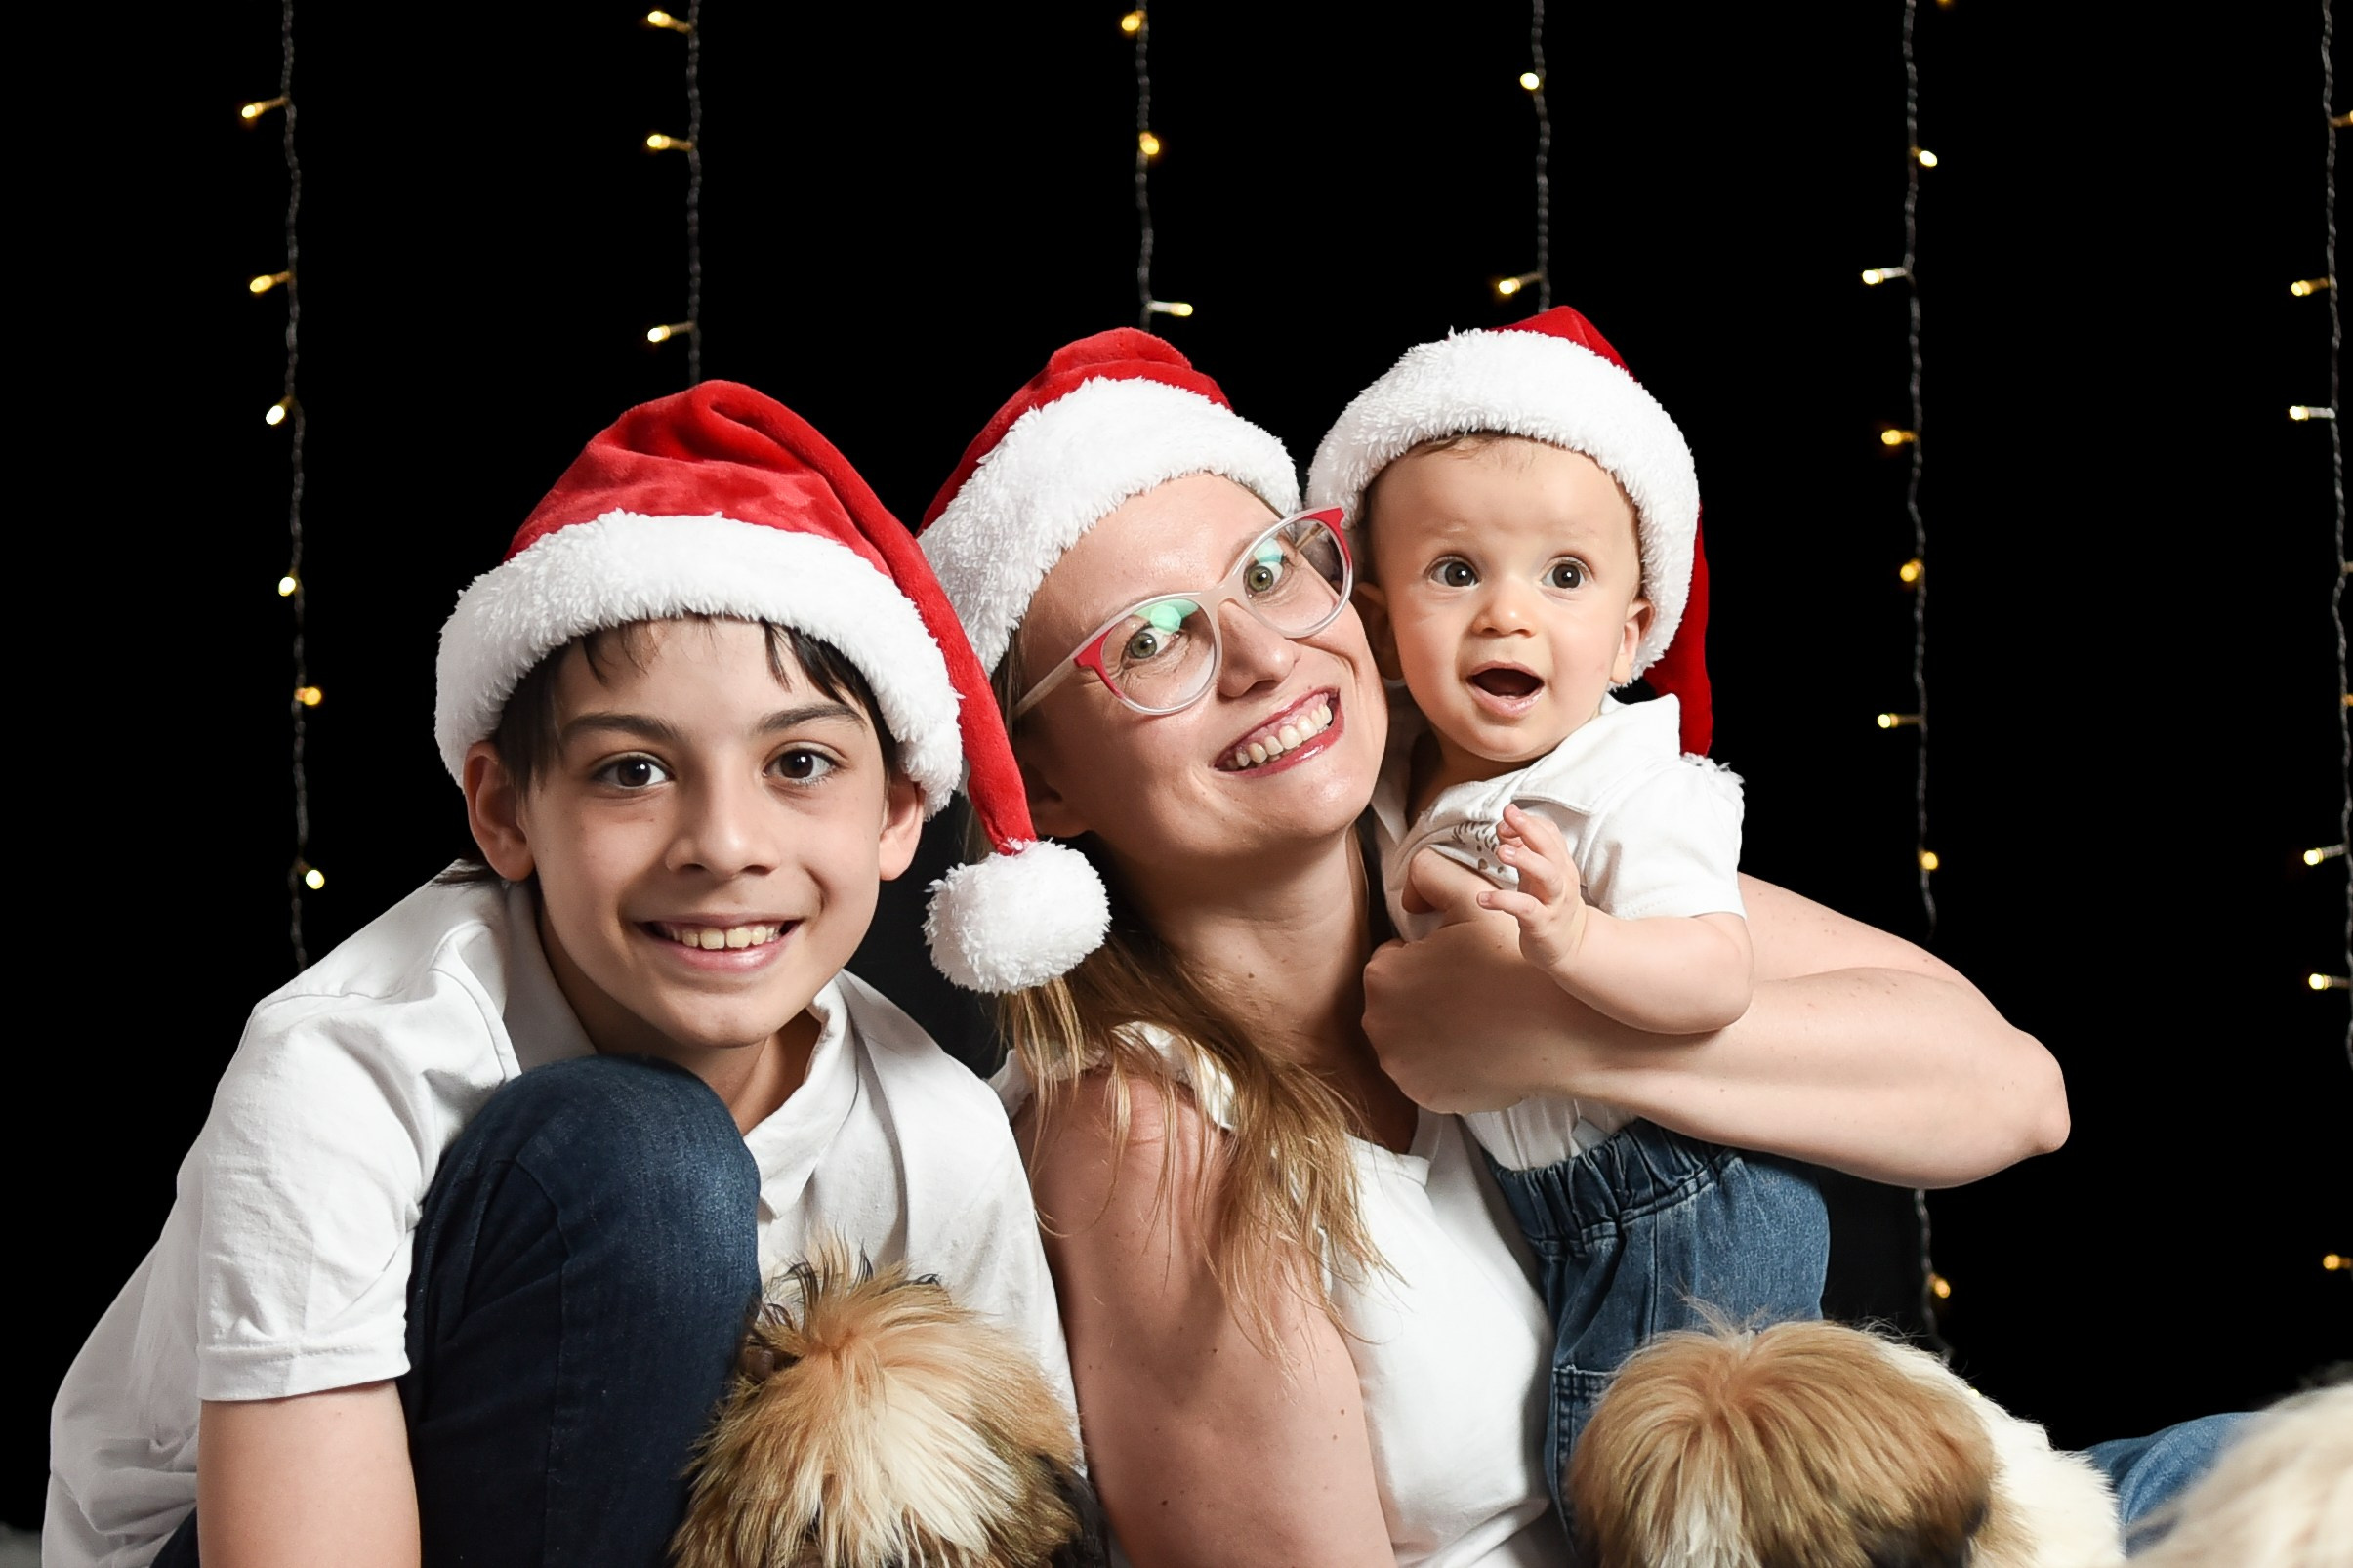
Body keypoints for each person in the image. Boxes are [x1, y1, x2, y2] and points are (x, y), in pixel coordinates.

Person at [915, 327, 2067, 1567]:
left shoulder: (1491, 836)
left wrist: (1560, 1028)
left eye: (1267, 572)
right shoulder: (1144, 1132)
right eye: (1148, 643)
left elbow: (2012, 1093)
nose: (1257, 657)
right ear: (1045, 780)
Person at [45, 382, 1098, 1568]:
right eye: (632, 772)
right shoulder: (340, 1068)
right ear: (505, 811)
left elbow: (1023, 1531)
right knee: (639, 1157)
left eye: (799, 761)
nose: (723, 842)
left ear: (900, 811)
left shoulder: (933, 1131)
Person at [1304, 305, 1829, 1500]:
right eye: (1453, 572)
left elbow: (1713, 975)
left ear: (1633, 628)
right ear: (1379, 625)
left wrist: (1575, 939)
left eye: (1565, 575)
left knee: (1643, 1499)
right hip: (1562, 1210)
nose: (1507, 613)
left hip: (1676, 1205)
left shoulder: (1633, 788)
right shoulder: (1393, 772)